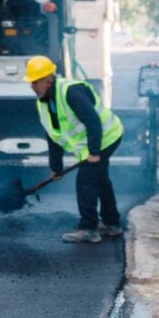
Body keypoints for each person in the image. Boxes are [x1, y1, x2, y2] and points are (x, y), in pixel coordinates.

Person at [25, 55, 125, 244]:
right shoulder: (44, 103)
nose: (32, 87)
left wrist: (94, 152)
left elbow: (93, 121)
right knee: (100, 179)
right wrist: (56, 167)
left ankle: (88, 228)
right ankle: (112, 223)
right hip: (93, 143)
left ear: (48, 81)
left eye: (35, 82)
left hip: (107, 137)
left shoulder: (70, 92)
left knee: (86, 180)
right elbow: (53, 135)